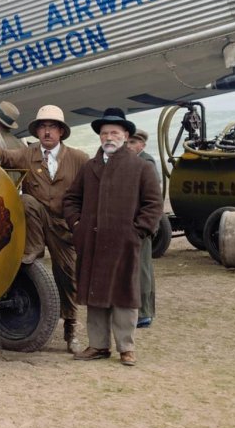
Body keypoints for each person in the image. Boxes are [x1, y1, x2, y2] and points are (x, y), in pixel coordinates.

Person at [63, 107, 163, 368]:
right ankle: (97, 345)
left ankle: (126, 348)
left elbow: (153, 204)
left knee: (124, 295)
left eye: (114, 132)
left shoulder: (140, 167)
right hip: (93, 243)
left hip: (124, 243)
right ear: (100, 137)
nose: (109, 137)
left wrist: (137, 232)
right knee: (95, 295)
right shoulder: (89, 167)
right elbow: (72, 199)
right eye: (104, 133)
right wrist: (77, 225)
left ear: (125, 135)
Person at [0, 105, 88, 352]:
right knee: (26, 200)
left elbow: (93, 186)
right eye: (43, 127)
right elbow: (6, 156)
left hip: (65, 225)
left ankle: (71, 328)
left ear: (61, 132)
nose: (47, 132)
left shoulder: (79, 159)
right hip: (38, 219)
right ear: (38, 131)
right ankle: (33, 249)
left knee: (68, 276)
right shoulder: (27, 154)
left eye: (52, 127)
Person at [127, 128, 160, 329]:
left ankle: (144, 313)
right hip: (133, 224)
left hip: (141, 225)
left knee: (143, 270)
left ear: (142, 145)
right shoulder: (133, 162)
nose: (129, 146)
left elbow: (152, 199)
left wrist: (145, 226)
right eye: (127, 142)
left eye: (133, 143)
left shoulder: (146, 163)